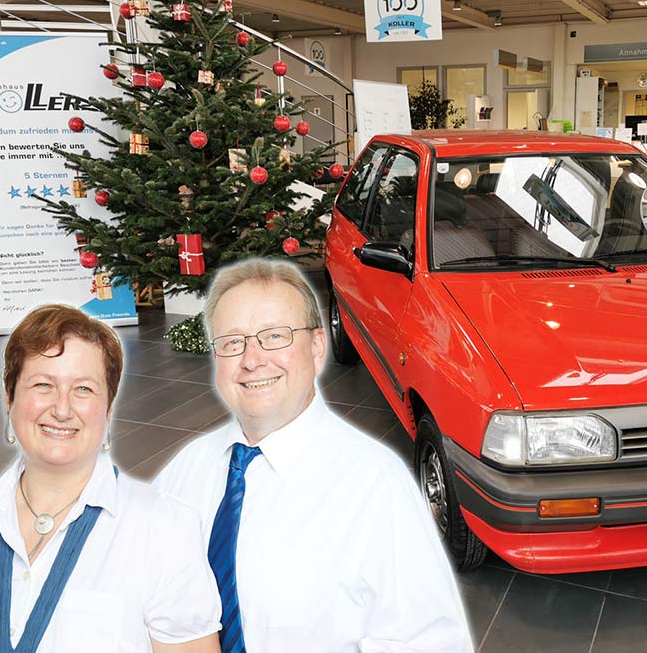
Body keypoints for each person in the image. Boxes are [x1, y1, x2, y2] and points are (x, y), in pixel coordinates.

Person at [154, 258, 473, 653]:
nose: (252, 359)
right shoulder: (187, 469)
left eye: (274, 336)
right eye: (232, 342)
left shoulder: (375, 485)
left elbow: (427, 644)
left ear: (318, 347)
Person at [0, 305, 222, 653]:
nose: (62, 409)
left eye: (83, 389)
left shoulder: (162, 529)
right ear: (9, 399)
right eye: (43, 384)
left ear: (108, 410)